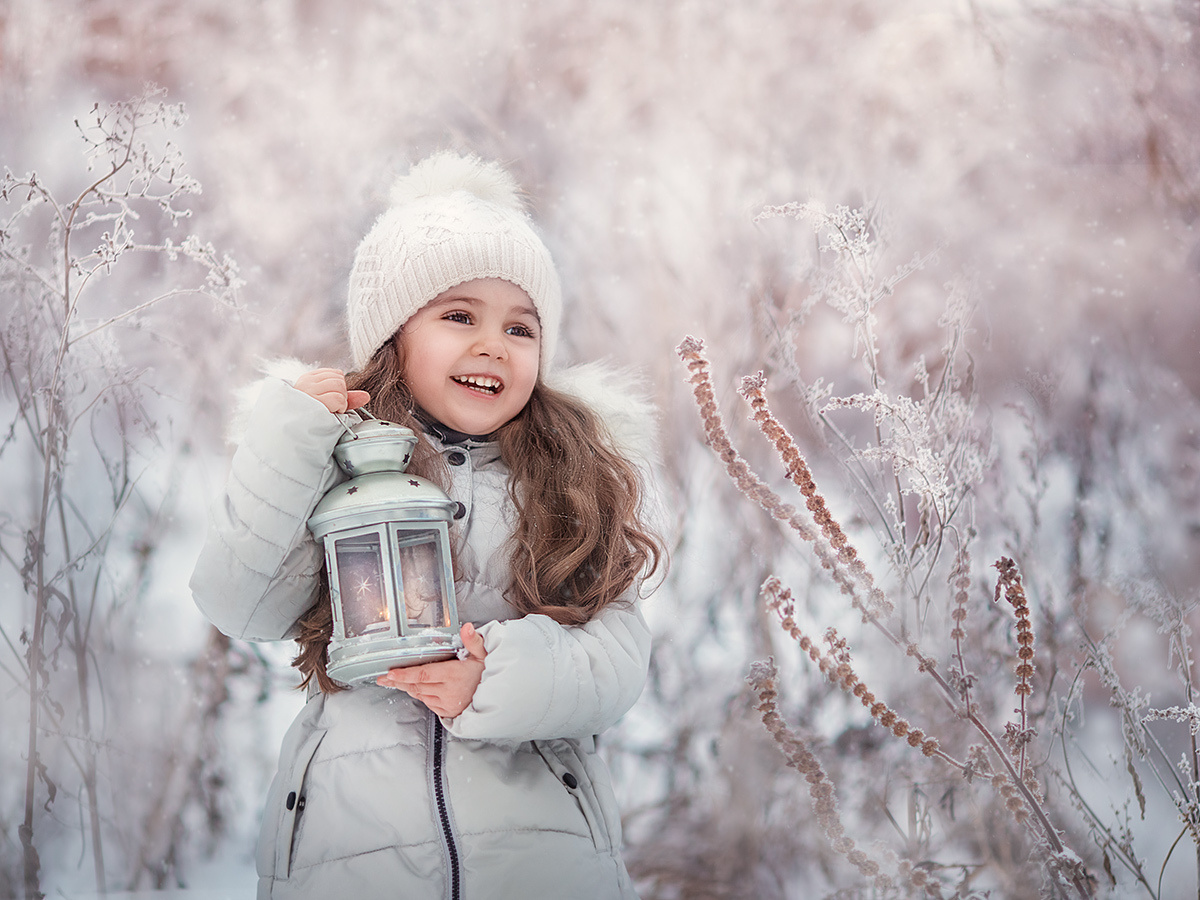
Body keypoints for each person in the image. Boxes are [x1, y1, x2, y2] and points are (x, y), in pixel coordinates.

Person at [190, 152, 663, 899]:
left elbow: (617, 658)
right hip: (353, 848)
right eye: (458, 316)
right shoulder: (325, 464)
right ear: (391, 337)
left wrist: (496, 677)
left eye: (521, 327)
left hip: (538, 857)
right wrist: (286, 443)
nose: (493, 345)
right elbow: (239, 603)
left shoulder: (567, 480)